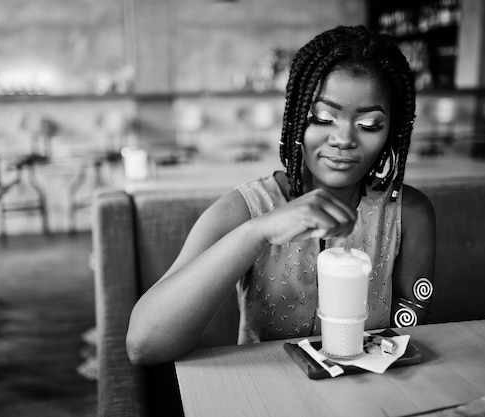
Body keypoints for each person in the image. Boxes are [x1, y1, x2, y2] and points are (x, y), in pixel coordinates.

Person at [127, 25, 436, 366]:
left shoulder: (408, 212)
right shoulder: (244, 209)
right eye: (323, 117)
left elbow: (408, 339)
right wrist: (258, 232)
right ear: (297, 117)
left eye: (369, 125)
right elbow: (144, 346)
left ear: (392, 131)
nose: (344, 138)